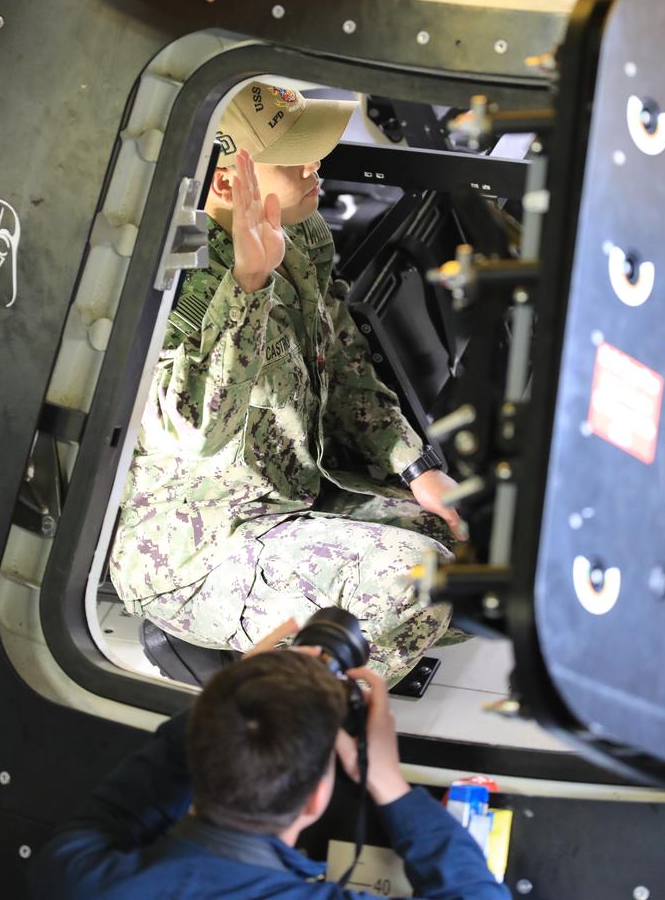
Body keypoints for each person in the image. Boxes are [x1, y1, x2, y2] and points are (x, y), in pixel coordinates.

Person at [110, 81, 466, 684]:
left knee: (463, 548)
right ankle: (284, 710)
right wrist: (249, 285)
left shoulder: (299, 235)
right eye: (294, 157)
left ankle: (287, 639)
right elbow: (199, 431)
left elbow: (346, 363)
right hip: (199, 547)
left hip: (292, 493)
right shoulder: (174, 289)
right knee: (415, 585)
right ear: (228, 184)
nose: (315, 166)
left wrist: (417, 468)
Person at [29, 619, 510, 899]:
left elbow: (117, 811)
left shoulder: (74, 876)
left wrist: (235, 694)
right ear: (315, 799)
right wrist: (389, 783)